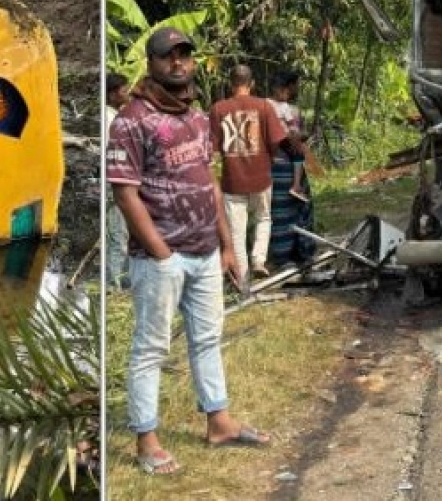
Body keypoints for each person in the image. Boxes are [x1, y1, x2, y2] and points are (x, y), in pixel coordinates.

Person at [108, 26, 271, 476]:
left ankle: (218, 421)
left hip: (204, 252)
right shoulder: (131, 120)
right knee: (150, 348)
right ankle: (146, 440)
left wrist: (227, 246)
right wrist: (160, 251)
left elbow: (209, 184)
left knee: (207, 338)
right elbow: (125, 195)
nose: (178, 63)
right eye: (168, 56)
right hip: (162, 259)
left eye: (185, 55)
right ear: (151, 63)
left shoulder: (198, 119)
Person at [209, 64, 287, 286]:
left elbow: (213, 150)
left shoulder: (218, 109)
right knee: (264, 218)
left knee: (236, 232)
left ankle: (241, 280)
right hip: (261, 177)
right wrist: (268, 160)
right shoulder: (263, 106)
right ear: (251, 83)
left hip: (233, 181)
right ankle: (259, 260)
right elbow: (275, 142)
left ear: (230, 83)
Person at [267, 70, 313, 265]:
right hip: (283, 163)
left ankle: (284, 254)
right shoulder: (284, 108)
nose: (297, 90)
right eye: (295, 86)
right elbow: (293, 135)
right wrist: (298, 136)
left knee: (280, 212)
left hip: (274, 164)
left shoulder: (266, 106)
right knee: (292, 209)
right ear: (286, 88)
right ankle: (295, 252)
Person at [104, 71, 132, 290]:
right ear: (113, 94)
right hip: (115, 180)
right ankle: (114, 283)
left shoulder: (113, 116)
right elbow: (112, 152)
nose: (127, 93)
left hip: (115, 178)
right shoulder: (111, 119)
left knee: (119, 231)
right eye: (124, 90)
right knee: (118, 233)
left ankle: (118, 278)